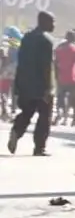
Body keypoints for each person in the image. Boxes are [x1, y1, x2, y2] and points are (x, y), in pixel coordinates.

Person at [7, 11, 56, 156]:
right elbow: (47, 66)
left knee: (27, 112)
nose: (54, 25)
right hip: (41, 86)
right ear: (44, 22)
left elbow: (20, 61)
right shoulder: (46, 40)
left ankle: (17, 130)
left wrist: (17, 84)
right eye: (52, 22)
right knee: (44, 116)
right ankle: (39, 147)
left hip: (25, 84)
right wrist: (49, 87)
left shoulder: (26, 38)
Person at [54, 29, 75, 126]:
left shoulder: (59, 48)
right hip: (73, 77)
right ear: (74, 38)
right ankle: (74, 119)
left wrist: (56, 75)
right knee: (74, 98)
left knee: (60, 97)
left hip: (61, 77)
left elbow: (55, 63)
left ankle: (61, 115)